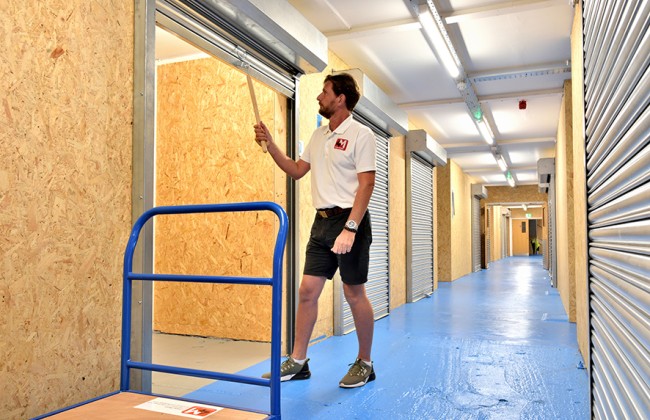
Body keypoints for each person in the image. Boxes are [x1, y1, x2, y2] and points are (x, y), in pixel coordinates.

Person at [254, 73, 377, 388]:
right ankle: (298, 362)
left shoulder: (361, 134)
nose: (319, 97)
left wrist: (351, 228)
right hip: (321, 223)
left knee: (353, 293)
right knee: (307, 291)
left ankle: (365, 363)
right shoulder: (318, 135)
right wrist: (270, 144)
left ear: (340, 98)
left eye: (325, 92)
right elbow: (297, 170)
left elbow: (366, 184)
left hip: (350, 220)